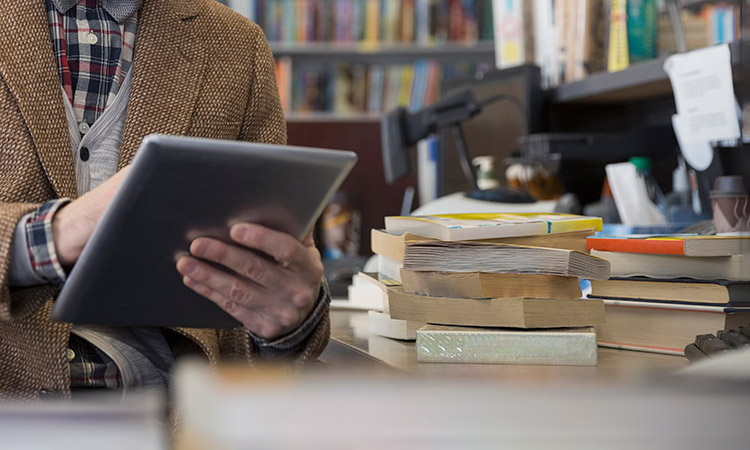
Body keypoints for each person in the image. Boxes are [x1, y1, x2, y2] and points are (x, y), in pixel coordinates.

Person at [0, 0, 330, 399]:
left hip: (178, 418)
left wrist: (290, 326)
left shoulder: (237, 47)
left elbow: (256, 337)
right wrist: (52, 234)